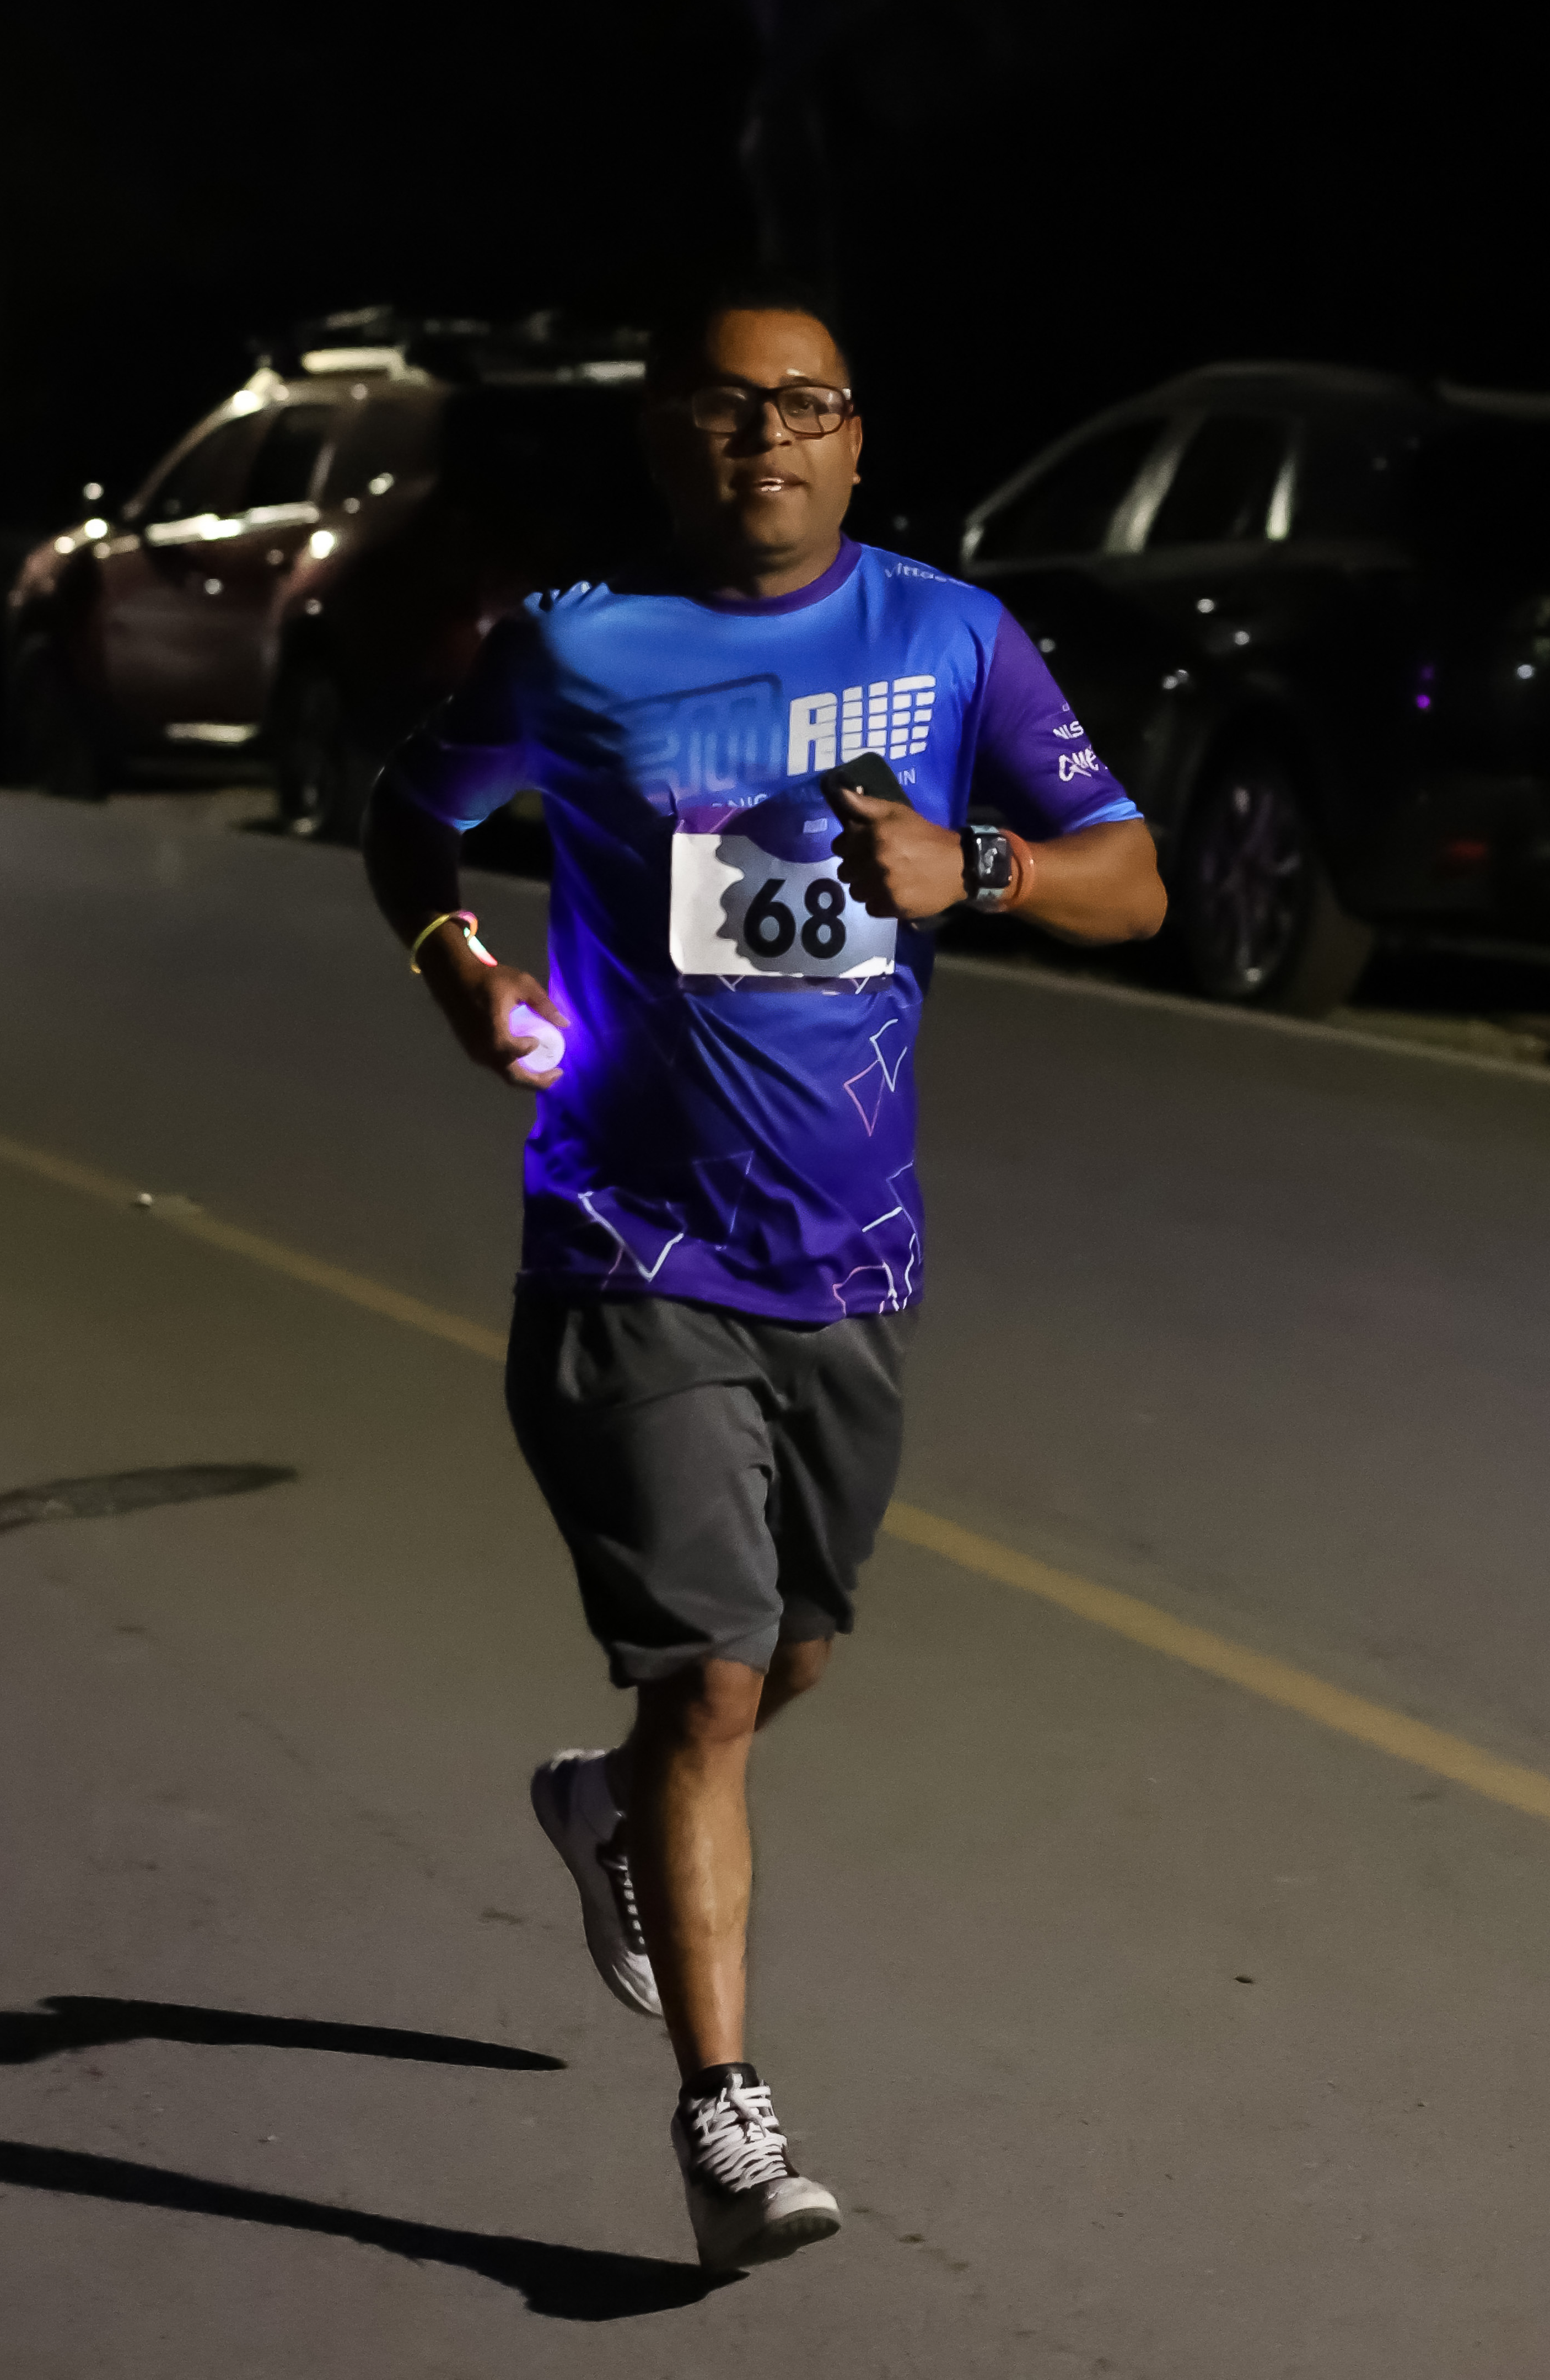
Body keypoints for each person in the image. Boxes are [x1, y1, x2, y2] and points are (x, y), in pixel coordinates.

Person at [363, 283, 1166, 2272]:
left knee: (788, 1653)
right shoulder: (577, 649)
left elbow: (1134, 878)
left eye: (805, 405)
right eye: (727, 408)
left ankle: (606, 1803)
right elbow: (410, 813)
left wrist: (977, 870)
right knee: (713, 1674)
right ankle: (725, 2120)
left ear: (856, 437)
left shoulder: (951, 635)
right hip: (628, 1242)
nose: (768, 438)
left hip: (854, 1258)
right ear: (664, 434)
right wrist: (458, 967)